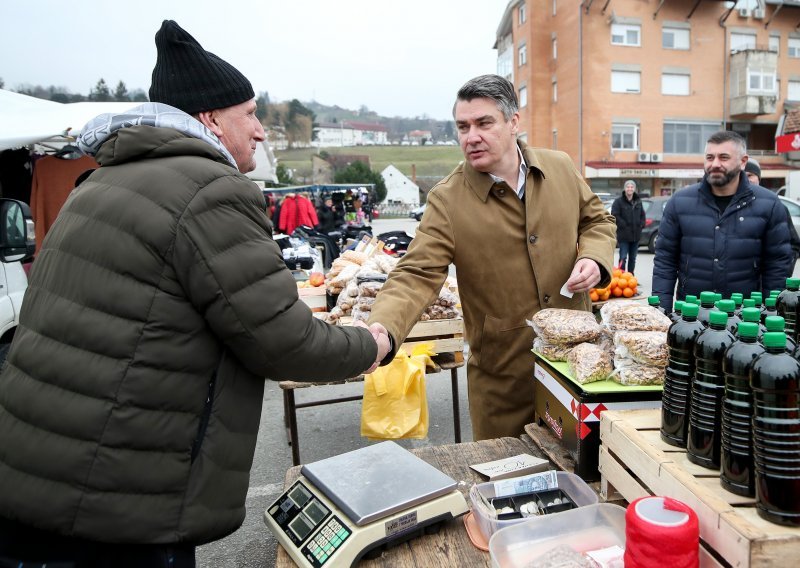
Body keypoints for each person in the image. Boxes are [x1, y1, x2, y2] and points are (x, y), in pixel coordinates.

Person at [0, 20, 388, 567]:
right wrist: (371, 346)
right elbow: (282, 342)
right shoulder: (209, 190)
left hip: (37, 479)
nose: (260, 131)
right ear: (209, 118)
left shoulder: (103, 181)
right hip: (115, 503)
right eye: (249, 114)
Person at [366, 74, 616, 440]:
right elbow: (417, 273)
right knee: (508, 480)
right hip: (502, 380)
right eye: (463, 127)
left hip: (578, 366)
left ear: (514, 122)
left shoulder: (559, 167)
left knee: (583, 479)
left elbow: (597, 220)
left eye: (484, 123)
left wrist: (594, 258)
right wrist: (383, 330)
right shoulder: (448, 199)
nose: (471, 136)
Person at [652, 131, 794, 311]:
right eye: (710, 157)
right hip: (690, 315)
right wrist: (661, 312)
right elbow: (665, 261)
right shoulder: (679, 202)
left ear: (743, 162)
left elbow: (777, 266)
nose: (715, 164)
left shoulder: (769, 204)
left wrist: (772, 315)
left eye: (724, 157)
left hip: (745, 316)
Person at [744, 157, 800, 269]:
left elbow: (793, 246)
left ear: (758, 178)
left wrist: (782, 273)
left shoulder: (776, 206)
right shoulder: (729, 206)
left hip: (767, 282)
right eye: (742, 176)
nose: (746, 179)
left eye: (750, 175)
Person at [610, 179, 645, 274]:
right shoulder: (618, 202)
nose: (630, 189)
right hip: (624, 235)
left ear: (634, 189)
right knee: (623, 257)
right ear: (624, 188)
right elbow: (614, 215)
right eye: (628, 187)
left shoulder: (638, 201)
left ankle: (630, 277)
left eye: (632, 187)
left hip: (635, 236)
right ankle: (620, 277)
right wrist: (623, 225)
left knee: (633, 258)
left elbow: (642, 215)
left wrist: (641, 224)